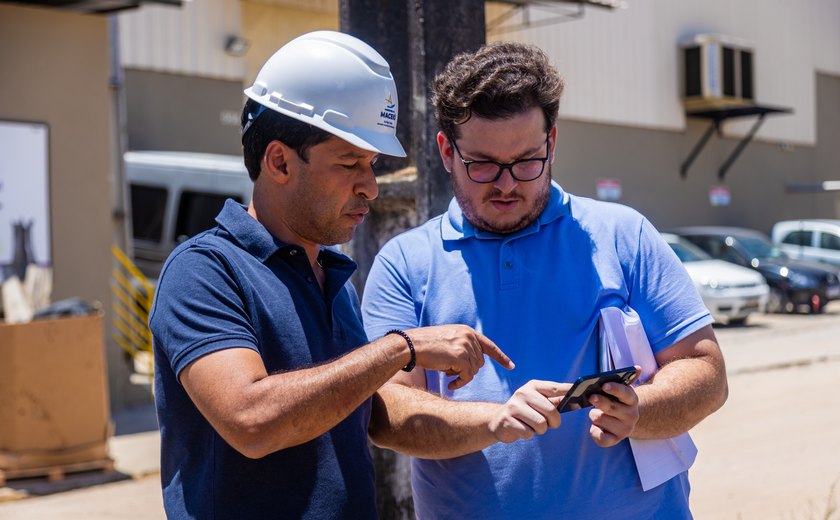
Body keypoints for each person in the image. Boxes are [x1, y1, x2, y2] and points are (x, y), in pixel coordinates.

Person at [149, 31, 512, 520]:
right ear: (279, 160)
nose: (370, 187)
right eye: (350, 164)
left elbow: (375, 412)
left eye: (372, 165)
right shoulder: (205, 271)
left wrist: (501, 419)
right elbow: (252, 420)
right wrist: (400, 347)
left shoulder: (332, 280)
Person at [361, 41, 728, 519]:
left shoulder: (624, 235)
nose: (508, 183)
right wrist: (493, 420)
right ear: (447, 151)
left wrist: (642, 407)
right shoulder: (404, 263)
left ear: (552, 143)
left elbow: (707, 373)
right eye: (484, 165)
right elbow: (385, 414)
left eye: (527, 161)